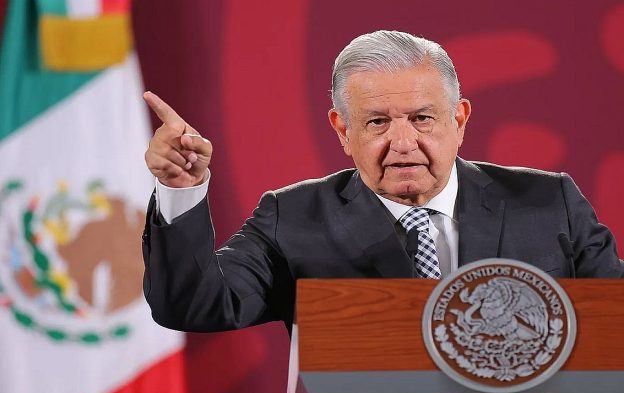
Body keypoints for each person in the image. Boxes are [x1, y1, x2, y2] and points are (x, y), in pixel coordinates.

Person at [142, 30, 624, 335]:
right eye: (376, 122)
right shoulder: (292, 218)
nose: (403, 143)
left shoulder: (548, 203)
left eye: (422, 118)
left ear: (459, 120)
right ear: (341, 130)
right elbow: (195, 307)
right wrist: (180, 192)